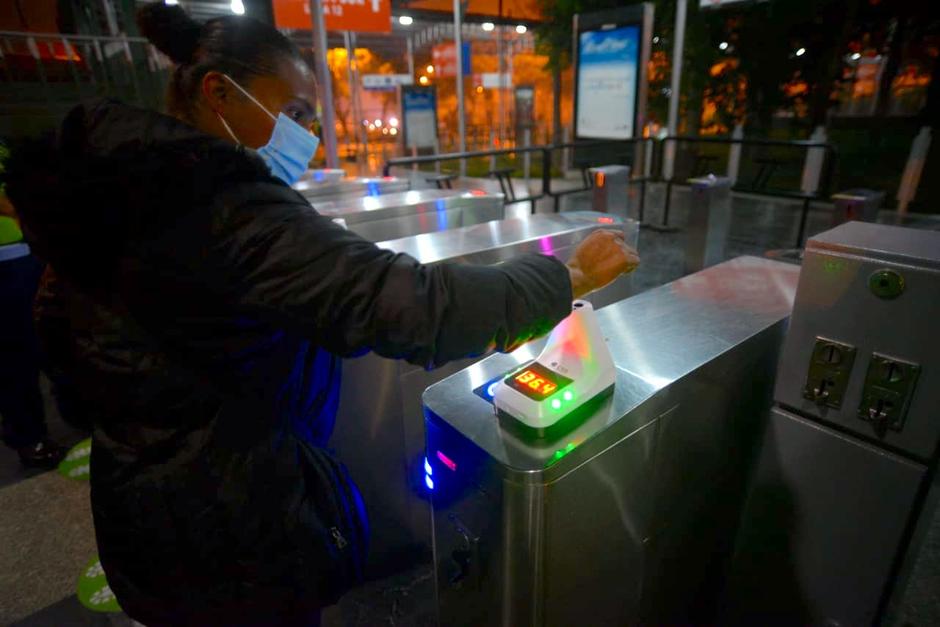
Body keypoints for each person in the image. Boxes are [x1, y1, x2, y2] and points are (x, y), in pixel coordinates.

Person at [6, 4, 639, 626]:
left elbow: (57, 335)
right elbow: (406, 304)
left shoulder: (107, 196)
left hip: (142, 507)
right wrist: (567, 275)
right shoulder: (222, 207)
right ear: (219, 94)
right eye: (294, 111)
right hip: (234, 525)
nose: (305, 134)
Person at [0, 176, 67, 468]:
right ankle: (29, 435)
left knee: (60, 338)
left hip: (32, 248)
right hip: (9, 257)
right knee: (17, 352)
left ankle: (75, 414)